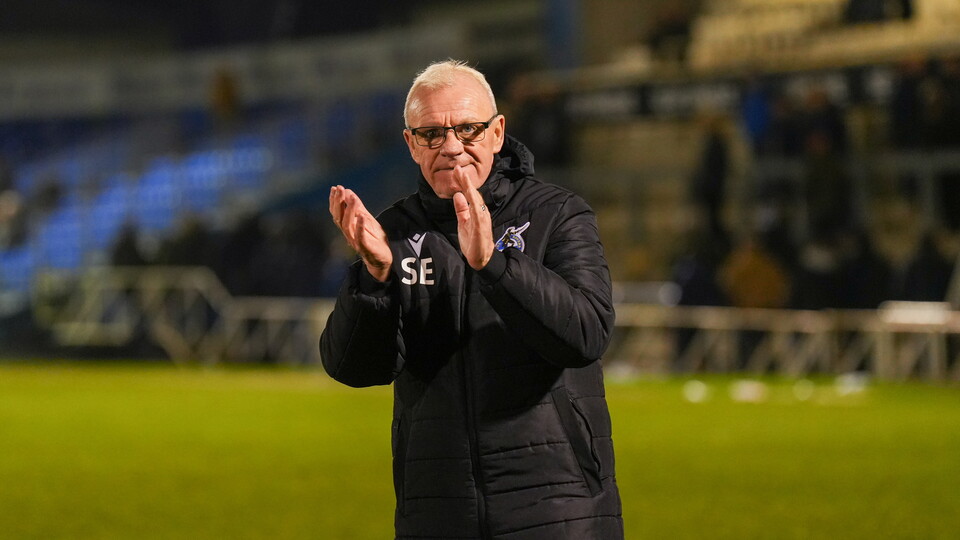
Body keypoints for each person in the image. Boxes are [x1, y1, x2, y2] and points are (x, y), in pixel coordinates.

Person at [319, 60, 623, 539]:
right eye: (432, 134)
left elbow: (587, 333)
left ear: (498, 132)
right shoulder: (393, 233)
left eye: (468, 129)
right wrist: (374, 278)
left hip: (557, 509)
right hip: (438, 511)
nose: (452, 147)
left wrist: (495, 266)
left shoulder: (557, 214)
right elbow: (354, 369)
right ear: (410, 143)